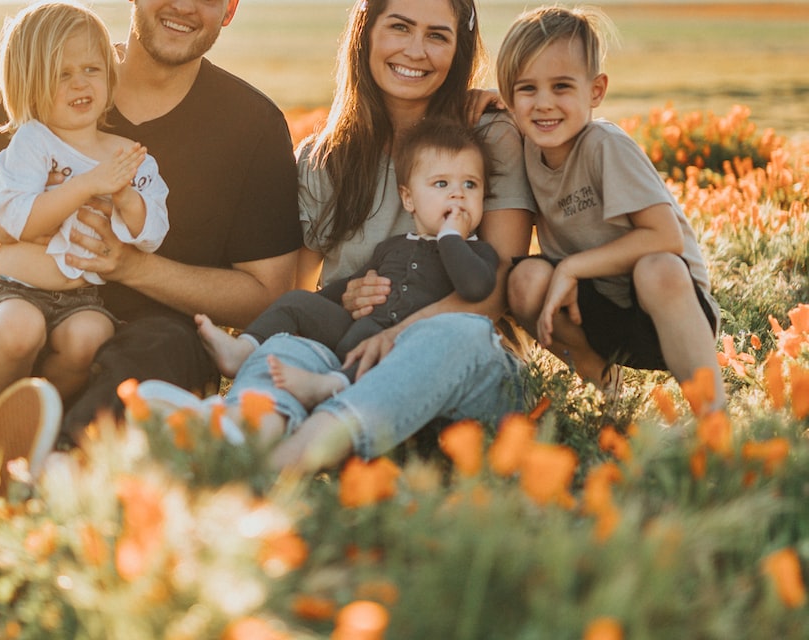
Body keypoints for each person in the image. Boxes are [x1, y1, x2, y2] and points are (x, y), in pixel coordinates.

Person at [0, 0, 301, 484]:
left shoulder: (252, 125)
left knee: (167, 345)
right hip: (13, 339)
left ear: (230, 9)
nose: (185, 5)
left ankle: (55, 465)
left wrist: (131, 267)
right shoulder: (45, 71)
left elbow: (266, 296)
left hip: (135, 357)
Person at [140, 0, 536, 474]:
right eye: (399, 27)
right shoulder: (326, 156)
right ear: (366, 33)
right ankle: (241, 431)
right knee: (285, 345)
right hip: (346, 363)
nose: (416, 50)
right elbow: (294, 291)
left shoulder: (486, 135)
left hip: (461, 373)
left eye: (437, 35)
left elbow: (497, 291)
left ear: (459, 49)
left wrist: (395, 334)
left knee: (455, 333)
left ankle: (286, 462)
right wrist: (344, 297)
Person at [496, 5, 725, 411]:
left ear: (596, 91)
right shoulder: (526, 147)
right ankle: (606, 389)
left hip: (667, 311)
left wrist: (571, 267)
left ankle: (713, 418)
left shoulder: (605, 146)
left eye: (562, 87)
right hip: (596, 315)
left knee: (657, 268)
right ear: (510, 97)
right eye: (527, 89)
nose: (544, 104)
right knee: (524, 279)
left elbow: (665, 237)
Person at [196, 117, 499, 408]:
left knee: (378, 349)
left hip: (404, 347)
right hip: (355, 330)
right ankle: (243, 349)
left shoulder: (479, 254)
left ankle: (330, 385)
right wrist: (322, 303)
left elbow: (474, 287)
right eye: (442, 184)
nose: (458, 194)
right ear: (409, 199)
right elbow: (348, 286)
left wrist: (450, 237)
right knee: (297, 302)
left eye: (471, 185)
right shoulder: (393, 247)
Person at [0, 1, 170, 405]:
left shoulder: (128, 155)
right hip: (13, 290)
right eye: (62, 74)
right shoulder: (31, 142)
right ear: (29, 84)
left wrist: (124, 196)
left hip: (81, 299)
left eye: (91, 70)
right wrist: (87, 185)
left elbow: (151, 234)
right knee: (19, 331)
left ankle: (38, 417)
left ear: (110, 76)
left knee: (90, 338)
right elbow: (18, 221)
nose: (80, 84)